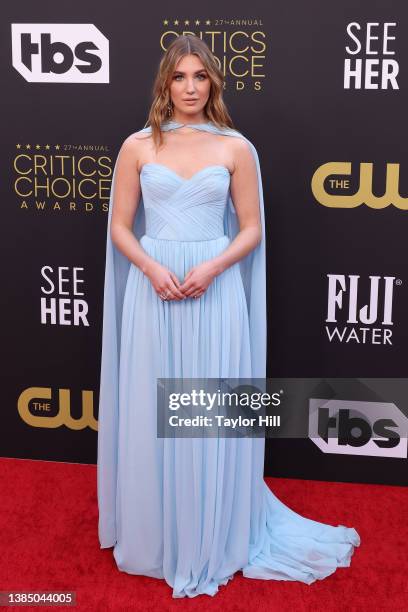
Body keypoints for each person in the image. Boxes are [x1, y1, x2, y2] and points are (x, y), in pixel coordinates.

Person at [97, 34, 360, 599]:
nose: (190, 87)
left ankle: (212, 532)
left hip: (213, 292)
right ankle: (158, 534)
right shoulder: (137, 146)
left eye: (200, 77)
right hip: (156, 290)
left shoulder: (237, 147)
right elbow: (120, 226)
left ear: (213, 82)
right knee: (152, 407)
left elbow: (252, 229)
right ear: (164, 84)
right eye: (179, 77)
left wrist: (213, 269)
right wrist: (150, 268)